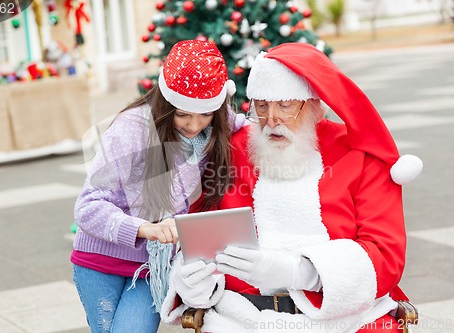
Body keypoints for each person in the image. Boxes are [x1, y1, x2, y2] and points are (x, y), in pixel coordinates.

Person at [160, 43, 423, 332]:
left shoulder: (360, 155)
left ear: (313, 105)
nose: (271, 119)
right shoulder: (232, 150)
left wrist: (299, 272)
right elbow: (199, 233)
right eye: (261, 105)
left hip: (345, 319)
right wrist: (196, 282)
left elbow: (385, 255)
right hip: (240, 317)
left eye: (284, 105)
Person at [71, 40, 244, 333]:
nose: (194, 124)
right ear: (166, 104)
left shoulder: (216, 122)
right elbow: (87, 207)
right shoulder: (131, 130)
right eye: (182, 114)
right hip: (99, 261)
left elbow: (246, 125)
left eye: (205, 114)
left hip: (151, 266)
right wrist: (145, 228)